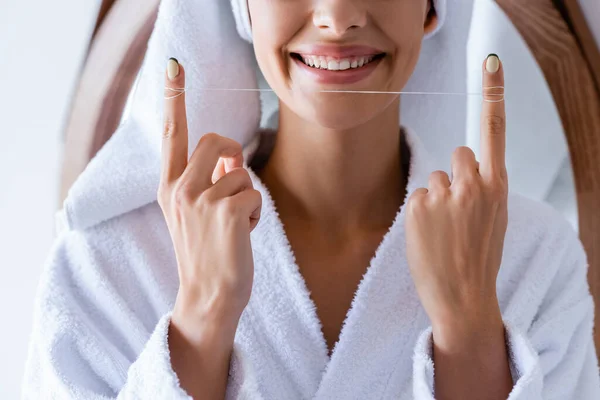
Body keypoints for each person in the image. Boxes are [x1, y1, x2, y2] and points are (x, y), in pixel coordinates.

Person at [22, 0, 600, 399]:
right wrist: (199, 319)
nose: (338, 15)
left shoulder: (536, 262)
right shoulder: (104, 267)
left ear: (432, 4)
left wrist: (471, 333)